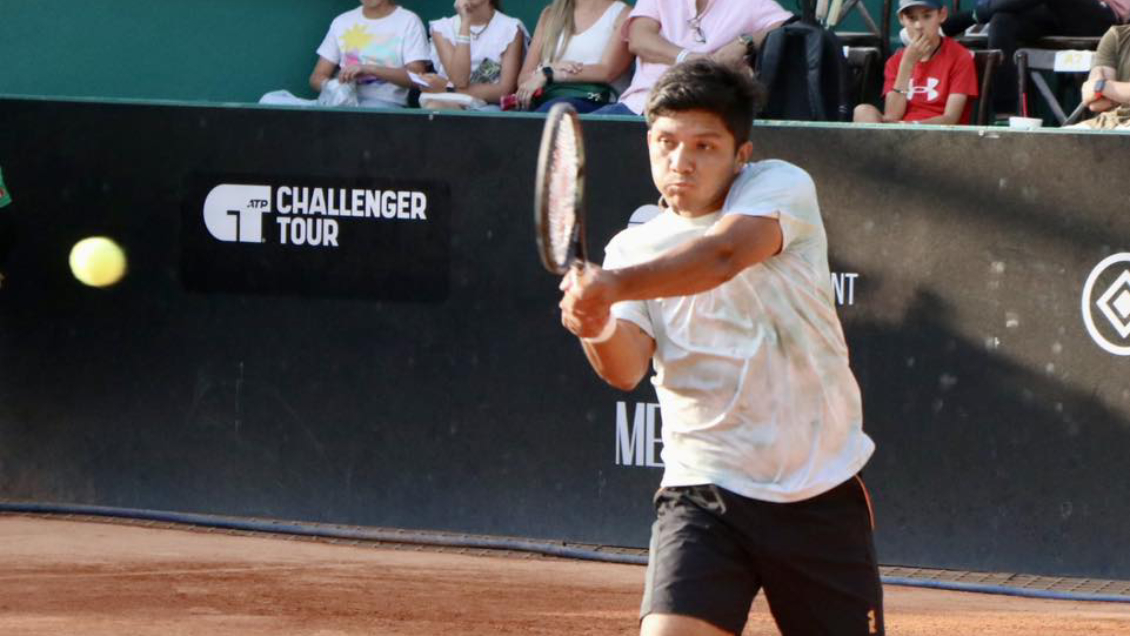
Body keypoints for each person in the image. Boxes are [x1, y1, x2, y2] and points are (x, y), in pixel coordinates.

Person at [559, 59, 882, 636]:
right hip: (702, 491)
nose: (681, 161)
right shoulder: (631, 248)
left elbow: (723, 257)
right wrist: (596, 324)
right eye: (666, 142)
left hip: (819, 491)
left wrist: (612, 288)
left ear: (742, 154)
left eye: (705, 145)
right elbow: (626, 369)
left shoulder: (780, 186)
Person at [590, 0, 792, 116]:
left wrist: (744, 42)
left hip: (707, 109)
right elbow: (639, 39)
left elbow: (790, 28)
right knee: (573, 140)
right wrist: (692, 59)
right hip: (641, 105)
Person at [944, 0, 1128, 116]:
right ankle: (1004, 114)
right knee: (1002, 19)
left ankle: (971, 16)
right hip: (1050, 11)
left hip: (1104, 17)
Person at [854, 0, 979, 125]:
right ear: (902, 19)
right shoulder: (896, 61)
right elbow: (892, 116)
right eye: (911, 18)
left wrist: (911, 126)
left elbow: (951, 119)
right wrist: (907, 64)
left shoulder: (960, 57)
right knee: (862, 111)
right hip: (899, 134)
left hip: (940, 137)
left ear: (942, 15)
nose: (918, 25)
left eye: (927, 16)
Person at [513, 0, 634, 113]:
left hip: (599, 105)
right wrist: (547, 71)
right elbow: (523, 79)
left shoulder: (623, 14)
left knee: (554, 112)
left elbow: (608, 71)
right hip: (547, 101)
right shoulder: (550, 14)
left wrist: (552, 74)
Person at [308, 0, 430, 109]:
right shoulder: (342, 21)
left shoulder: (408, 21)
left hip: (386, 103)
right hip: (343, 103)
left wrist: (370, 69)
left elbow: (417, 77)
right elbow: (317, 77)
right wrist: (334, 87)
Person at [419, 0, 528, 110]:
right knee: (434, 108)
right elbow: (459, 80)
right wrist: (465, 22)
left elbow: (505, 90)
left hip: (490, 105)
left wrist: (446, 88)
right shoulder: (442, 28)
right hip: (450, 101)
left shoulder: (511, 28)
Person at [1071, 24, 1130, 129]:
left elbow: (1095, 89)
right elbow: (1096, 103)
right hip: (1109, 123)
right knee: (1052, 140)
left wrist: (1102, 86)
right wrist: (1120, 93)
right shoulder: (1116, 35)